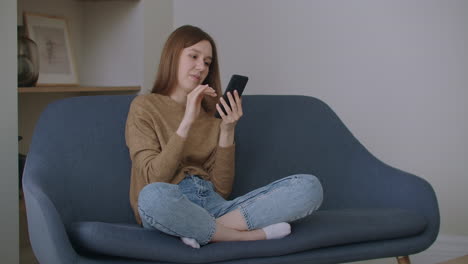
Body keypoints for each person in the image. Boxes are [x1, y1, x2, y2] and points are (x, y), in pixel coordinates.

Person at [125, 25, 323, 249]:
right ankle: (247, 236)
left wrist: (227, 130)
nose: (201, 67)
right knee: (152, 196)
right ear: (172, 56)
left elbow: (221, 189)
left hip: (212, 204)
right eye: (194, 56)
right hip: (169, 206)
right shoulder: (144, 106)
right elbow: (153, 178)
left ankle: (202, 230)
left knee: (309, 187)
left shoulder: (212, 116)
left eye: (207, 62)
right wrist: (187, 120)